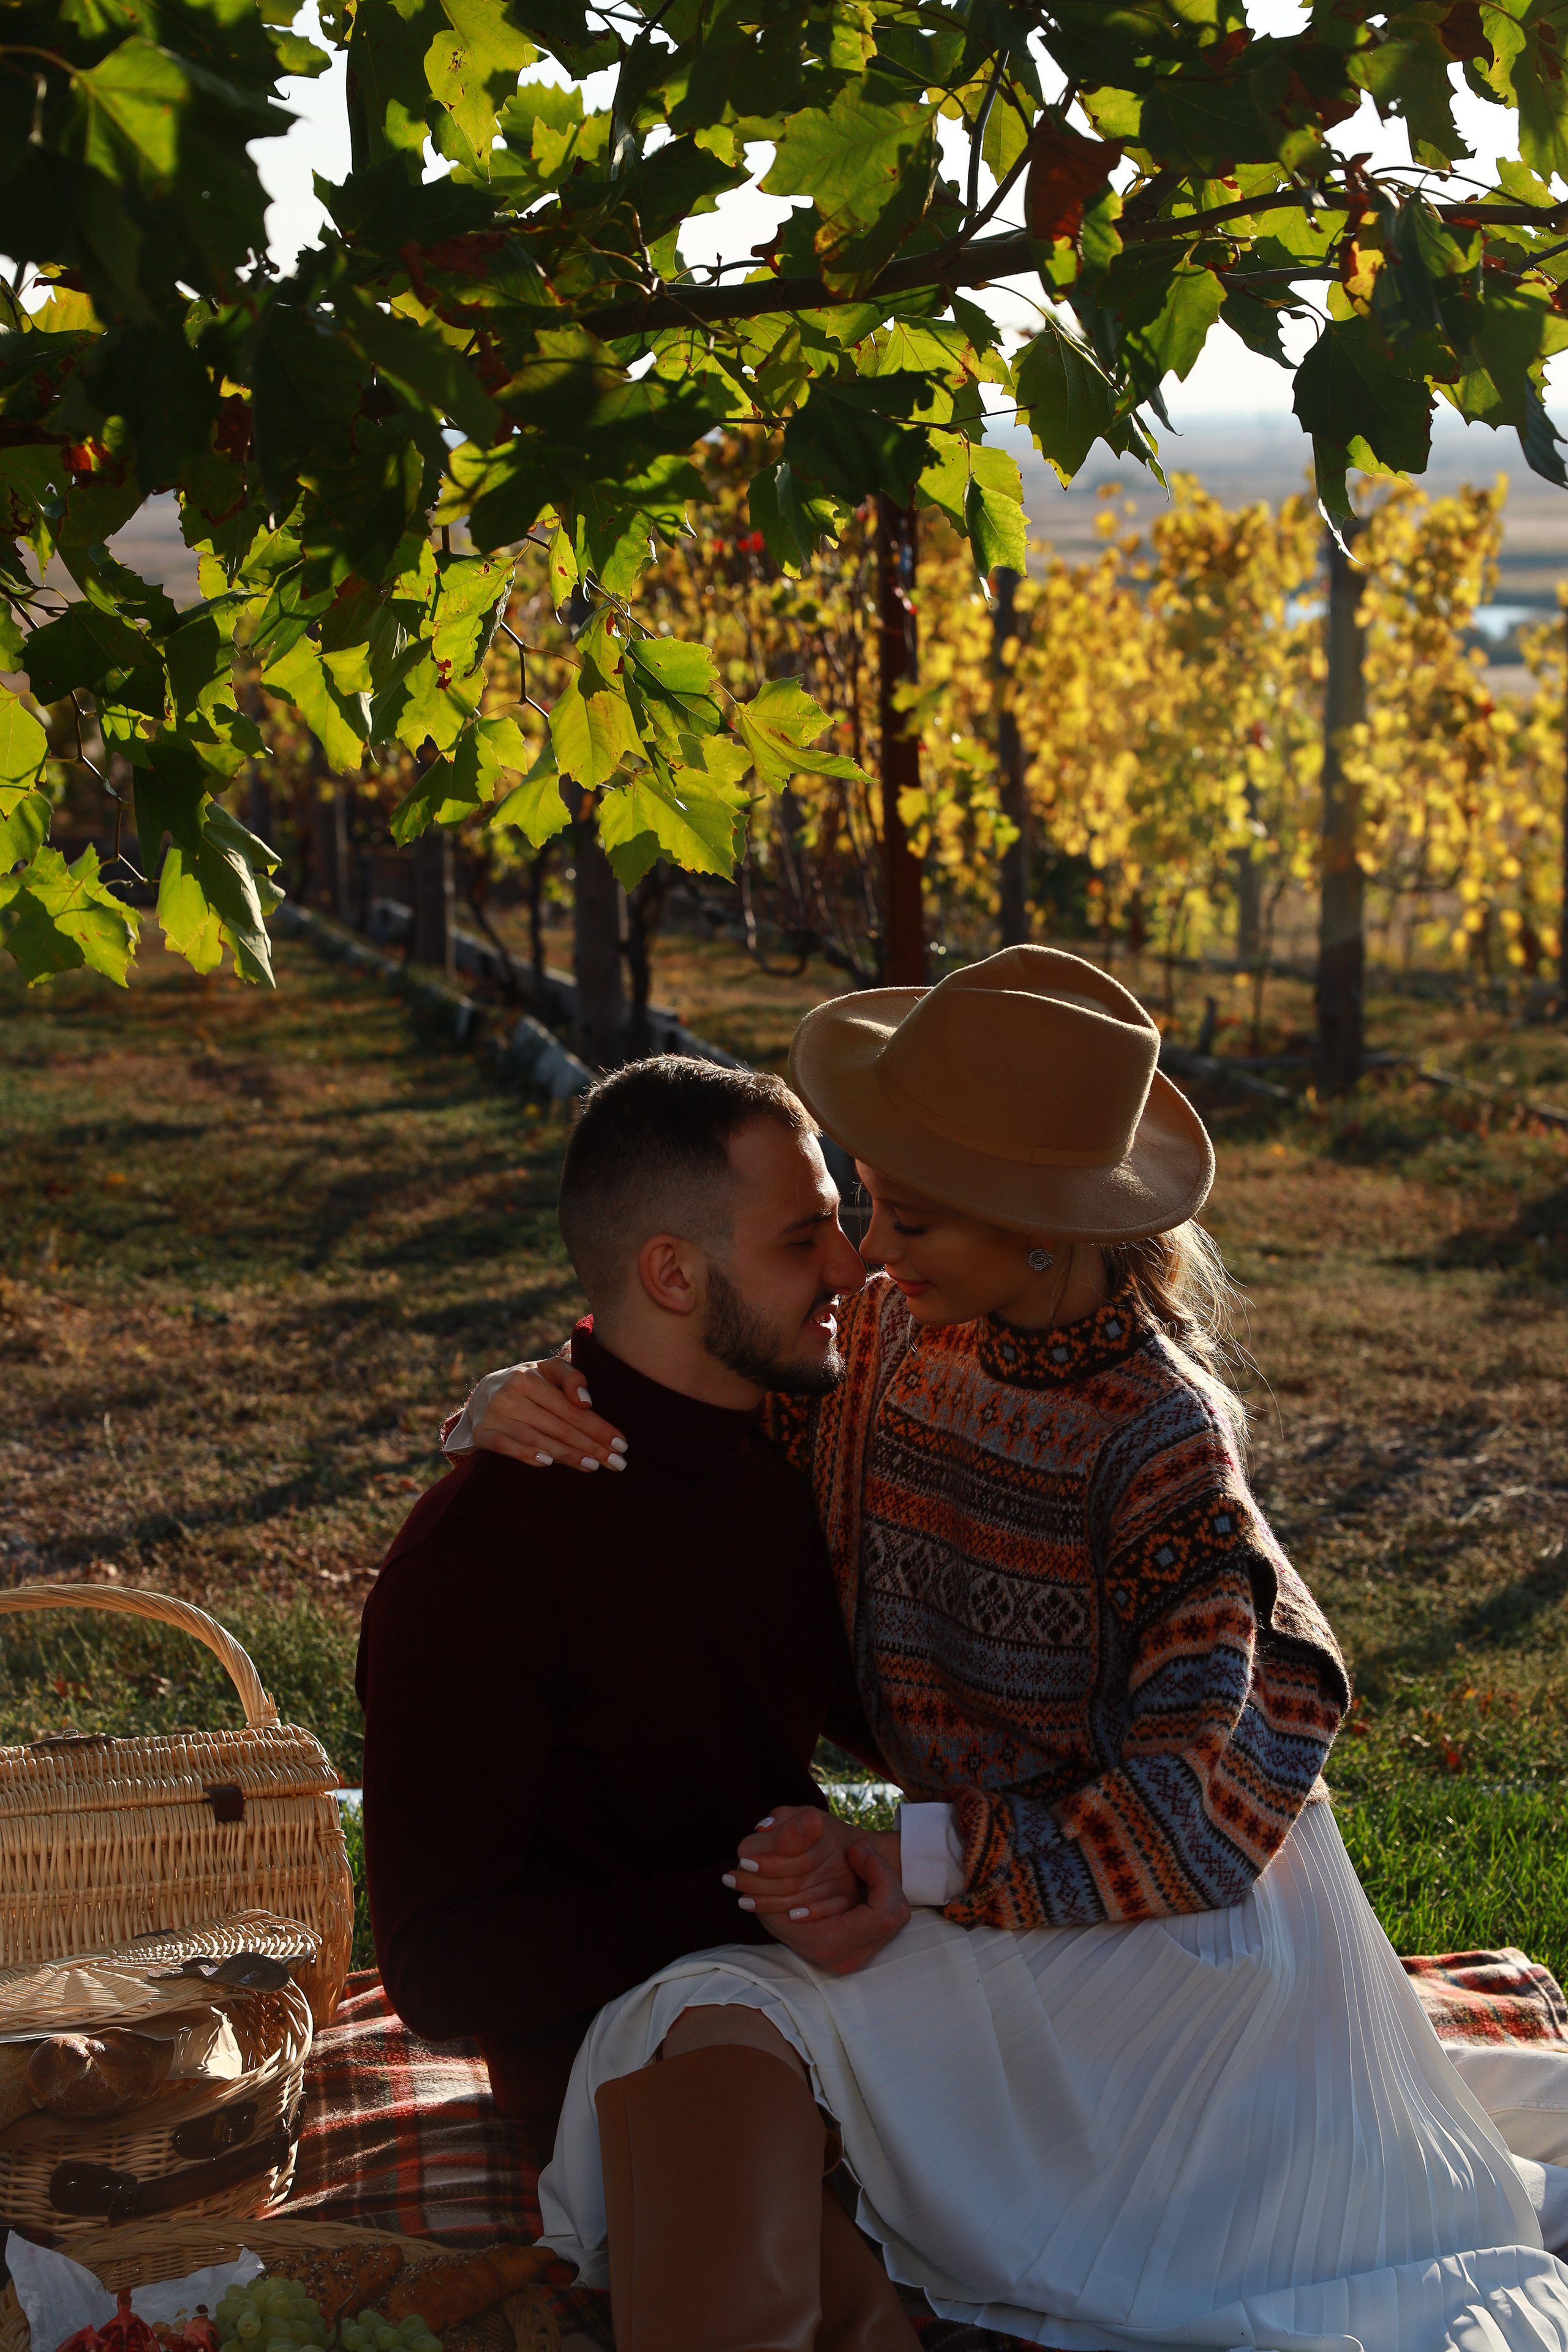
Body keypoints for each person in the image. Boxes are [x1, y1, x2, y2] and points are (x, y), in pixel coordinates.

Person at [450, 945, 1568, 2352]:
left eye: (905, 1220)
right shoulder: (897, 1334)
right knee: (719, 2015)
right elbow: (698, 1395)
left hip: (1173, 1935)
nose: (862, 1252)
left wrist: (910, 1862)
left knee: (729, 2006)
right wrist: (524, 1398)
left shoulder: (1161, 1446)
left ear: (1041, 1228)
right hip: (971, 1879)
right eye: (862, 1206)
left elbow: (1201, 1813)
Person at [355, 1057, 916, 2348]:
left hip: (814, 1970)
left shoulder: (773, 1451)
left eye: (833, 1220)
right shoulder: (481, 1564)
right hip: (647, 2050)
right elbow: (437, 1973)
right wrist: (749, 1897)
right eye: (801, 1236)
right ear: (672, 1274)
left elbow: (856, 1704)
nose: (848, 1266)